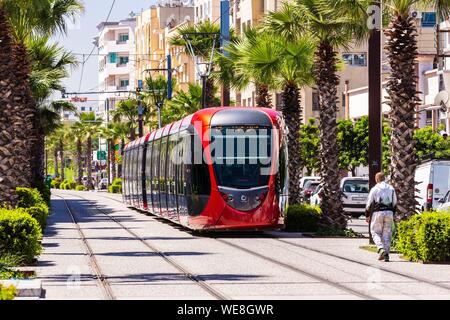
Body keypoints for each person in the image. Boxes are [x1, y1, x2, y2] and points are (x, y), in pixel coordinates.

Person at [365, 172, 397, 262]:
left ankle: (380, 249)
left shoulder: (375, 189)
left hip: (378, 212)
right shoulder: (391, 188)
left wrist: (367, 215)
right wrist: (392, 214)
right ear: (384, 178)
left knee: (375, 232)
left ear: (377, 179)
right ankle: (386, 254)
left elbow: (369, 203)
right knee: (387, 234)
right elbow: (395, 203)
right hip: (389, 212)